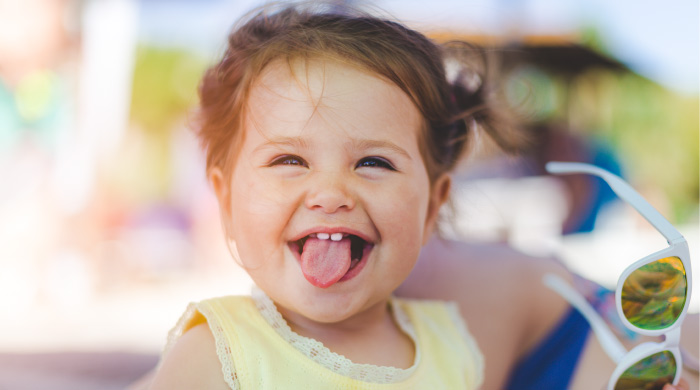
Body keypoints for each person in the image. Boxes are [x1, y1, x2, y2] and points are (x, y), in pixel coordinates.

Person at [145, 2, 695, 389]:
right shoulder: (219, 352)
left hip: (613, 333)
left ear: (434, 205)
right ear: (225, 199)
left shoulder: (450, 348)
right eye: (289, 160)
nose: (332, 191)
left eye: (374, 162)